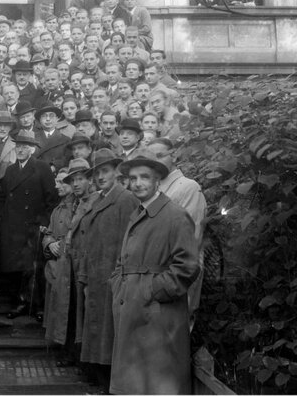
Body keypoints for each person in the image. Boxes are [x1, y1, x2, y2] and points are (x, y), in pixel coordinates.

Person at [109, 149, 200, 395]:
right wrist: (119, 283)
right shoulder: (137, 213)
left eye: (145, 177)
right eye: (133, 178)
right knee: (135, 383)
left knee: (158, 383)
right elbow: (124, 259)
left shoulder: (174, 215)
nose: (138, 183)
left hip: (158, 315)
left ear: (157, 180)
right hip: (134, 309)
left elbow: (188, 266)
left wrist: (152, 290)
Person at [74, 149, 140, 391]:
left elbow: (130, 241)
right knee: (98, 331)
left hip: (113, 276)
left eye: (106, 171)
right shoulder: (99, 199)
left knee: (110, 334)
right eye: (97, 173)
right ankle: (101, 380)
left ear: (116, 172)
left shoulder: (125, 200)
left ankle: (111, 384)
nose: (101, 177)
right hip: (95, 274)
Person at [0, 130, 60, 319]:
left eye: (25, 146)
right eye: (18, 146)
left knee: (34, 268)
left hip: (34, 226)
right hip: (13, 227)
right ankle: (20, 303)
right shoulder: (10, 170)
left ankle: (37, 306)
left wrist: (43, 222)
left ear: (32, 149)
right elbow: (2, 198)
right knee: (16, 268)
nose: (21, 149)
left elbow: (52, 200)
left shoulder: (41, 168)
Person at [148, 139, 207, 321]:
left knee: (175, 333)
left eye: (160, 155)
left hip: (178, 272)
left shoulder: (188, 187)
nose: (156, 162)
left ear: (173, 155)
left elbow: (191, 238)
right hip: (156, 272)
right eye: (152, 158)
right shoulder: (152, 188)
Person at [42, 169, 75, 363]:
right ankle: (60, 347)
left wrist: (60, 245)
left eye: (62, 182)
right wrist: (49, 243)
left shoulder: (78, 207)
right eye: (56, 182)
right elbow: (50, 232)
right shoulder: (58, 209)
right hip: (56, 265)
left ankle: (69, 351)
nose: (57, 186)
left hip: (69, 264)